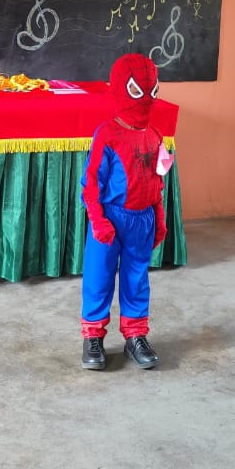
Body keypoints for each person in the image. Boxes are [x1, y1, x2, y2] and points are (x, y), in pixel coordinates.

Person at [80, 52, 170, 371]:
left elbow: (157, 182)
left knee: (136, 279)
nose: (146, 99)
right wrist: (98, 220)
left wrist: (159, 218)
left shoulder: (155, 136)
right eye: (137, 90)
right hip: (110, 219)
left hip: (141, 219)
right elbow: (90, 184)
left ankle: (135, 336)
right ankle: (93, 336)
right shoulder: (106, 135)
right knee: (99, 275)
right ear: (122, 88)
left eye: (152, 91)